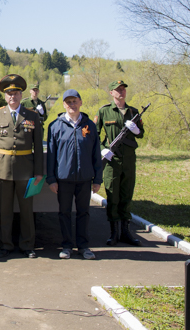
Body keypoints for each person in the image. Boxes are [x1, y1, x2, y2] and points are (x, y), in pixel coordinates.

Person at [0, 74, 44, 259]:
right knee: (5, 210)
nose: (13, 96)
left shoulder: (33, 115)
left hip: (26, 170)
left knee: (27, 211)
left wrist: (38, 173)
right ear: (5, 96)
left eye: (16, 93)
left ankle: (27, 245)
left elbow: (38, 146)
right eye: (9, 93)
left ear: (21, 95)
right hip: (3, 170)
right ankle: (6, 244)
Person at [47, 89, 102, 260]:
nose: (72, 104)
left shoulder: (89, 126)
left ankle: (84, 246)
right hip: (63, 179)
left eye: (74, 101)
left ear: (80, 103)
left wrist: (97, 179)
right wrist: (51, 179)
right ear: (64, 104)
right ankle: (66, 245)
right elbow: (51, 156)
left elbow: (96, 154)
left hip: (84, 178)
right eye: (68, 102)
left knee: (83, 213)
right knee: (64, 213)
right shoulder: (55, 126)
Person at [95, 79, 144, 246]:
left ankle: (125, 232)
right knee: (112, 195)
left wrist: (136, 129)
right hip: (111, 161)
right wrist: (102, 149)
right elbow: (94, 136)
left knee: (126, 195)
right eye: (117, 89)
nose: (121, 92)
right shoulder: (104, 112)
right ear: (111, 93)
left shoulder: (133, 112)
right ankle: (114, 232)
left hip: (129, 160)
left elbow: (141, 134)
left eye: (123, 89)